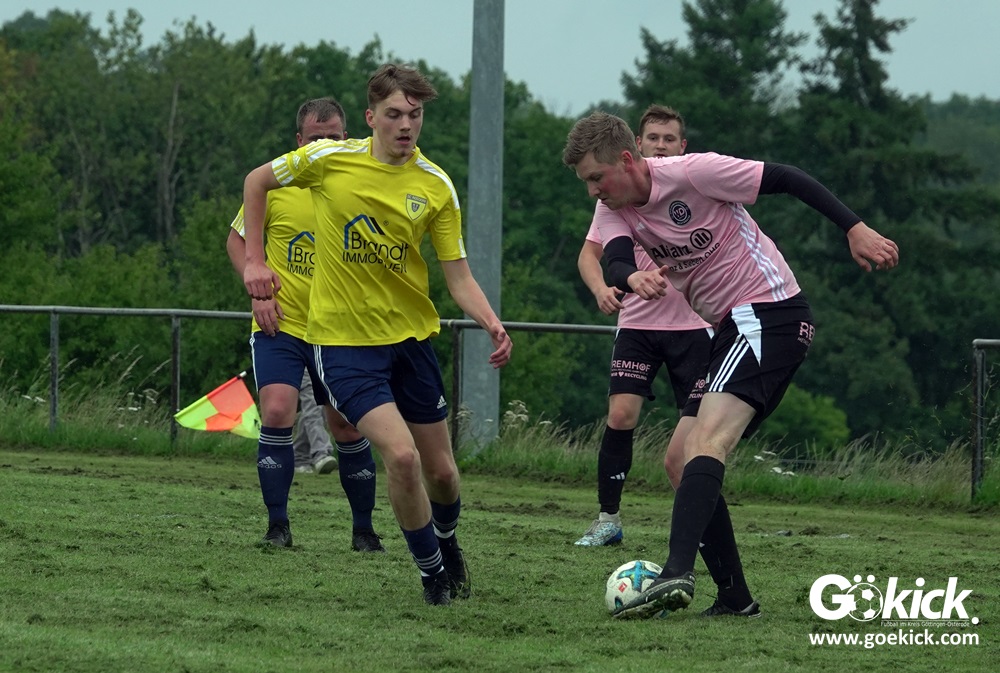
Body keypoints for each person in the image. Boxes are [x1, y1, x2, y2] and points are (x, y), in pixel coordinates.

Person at [563, 112, 898, 620]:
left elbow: (787, 177)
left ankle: (676, 571)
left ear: (626, 160)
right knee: (680, 461)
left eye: (596, 178)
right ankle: (735, 598)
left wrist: (855, 228)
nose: (592, 191)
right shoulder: (615, 207)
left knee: (706, 442)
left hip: (769, 312)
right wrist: (631, 279)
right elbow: (615, 259)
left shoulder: (695, 173)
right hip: (732, 328)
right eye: (586, 182)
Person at [241, 63, 513, 606]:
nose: (406, 125)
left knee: (443, 473)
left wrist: (490, 321)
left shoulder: (435, 185)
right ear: (370, 117)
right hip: (344, 346)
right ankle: (432, 577)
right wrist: (254, 261)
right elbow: (256, 181)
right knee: (403, 458)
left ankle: (447, 542)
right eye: (394, 114)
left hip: (410, 344)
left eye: (415, 114)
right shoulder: (329, 159)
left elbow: (458, 275)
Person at [226, 97, 384, 553]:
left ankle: (364, 532)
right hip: (282, 322)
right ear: (299, 141)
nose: (325, 146)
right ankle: (277, 527)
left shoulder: (360, 186)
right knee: (277, 410)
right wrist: (258, 290)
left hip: (338, 328)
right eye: (316, 139)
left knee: (346, 426)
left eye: (334, 137)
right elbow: (237, 241)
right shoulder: (275, 185)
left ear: (348, 137)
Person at [574, 105, 714, 548]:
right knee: (620, 414)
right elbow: (590, 255)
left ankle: (704, 527)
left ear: (682, 146)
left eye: (669, 139)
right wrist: (602, 288)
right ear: (635, 145)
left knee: (698, 438)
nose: (660, 145)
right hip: (637, 324)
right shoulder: (614, 199)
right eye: (653, 137)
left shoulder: (691, 187)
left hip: (695, 328)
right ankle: (608, 520)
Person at [292, 370, 338, 475]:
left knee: (318, 409)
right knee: (313, 408)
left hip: (324, 366)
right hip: (305, 367)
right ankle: (321, 453)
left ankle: (299, 457)